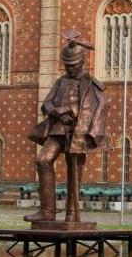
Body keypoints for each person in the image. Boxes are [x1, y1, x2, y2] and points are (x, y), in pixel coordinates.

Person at [25, 31, 109, 224]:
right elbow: (46, 103)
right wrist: (56, 111)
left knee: (74, 173)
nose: (70, 69)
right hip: (56, 130)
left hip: (77, 133)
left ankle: (71, 213)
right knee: (43, 160)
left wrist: (71, 111)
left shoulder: (91, 84)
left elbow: (100, 106)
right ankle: (47, 211)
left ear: (82, 62)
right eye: (67, 65)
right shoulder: (60, 82)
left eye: (73, 65)